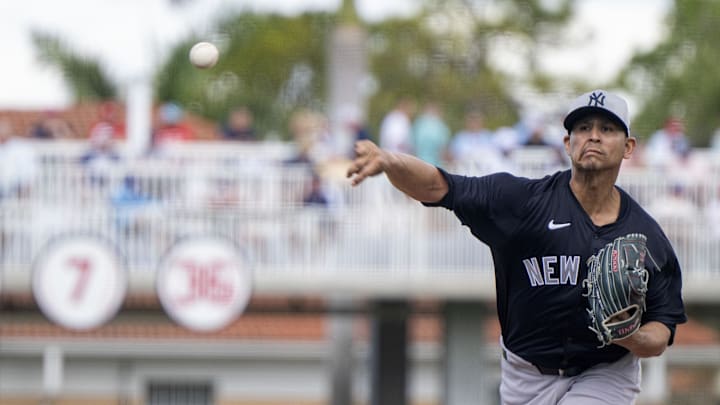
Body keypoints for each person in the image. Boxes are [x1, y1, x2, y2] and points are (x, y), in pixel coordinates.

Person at [346, 89, 687, 404]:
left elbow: (662, 327)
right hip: (525, 375)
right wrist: (391, 161)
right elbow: (439, 186)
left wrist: (631, 338)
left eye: (608, 129)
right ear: (568, 143)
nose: (594, 135)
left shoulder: (645, 237)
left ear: (628, 147)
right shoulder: (521, 204)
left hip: (606, 371)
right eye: (583, 128)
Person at [411, 101, 451, 167]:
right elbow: (443, 150)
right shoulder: (440, 126)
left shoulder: (418, 124)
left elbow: (413, 147)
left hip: (419, 163)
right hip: (435, 165)